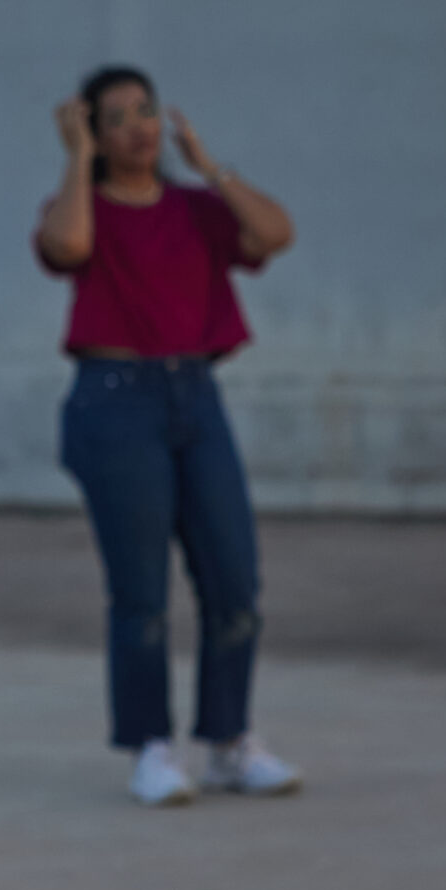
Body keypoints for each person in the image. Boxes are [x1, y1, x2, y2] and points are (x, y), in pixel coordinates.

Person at [33, 65, 301, 807]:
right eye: (116, 117)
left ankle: (229, 740)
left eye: (145, 110)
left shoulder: (195, 206)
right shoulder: (80, 204)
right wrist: (74, 157)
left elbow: (275, 231)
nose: (139, 125)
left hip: (196, 397)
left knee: (235, 581)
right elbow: (68, 246)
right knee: (141, 593)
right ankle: (153, 747)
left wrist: (211, 166)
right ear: (93, 130)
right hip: (115, 403)